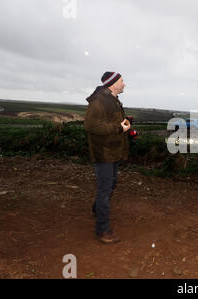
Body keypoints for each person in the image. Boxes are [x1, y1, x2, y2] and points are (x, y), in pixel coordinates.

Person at [84, 72, 130, 244]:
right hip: (103, 153)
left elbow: (111, 122)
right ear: (113, 84)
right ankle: (102, 230)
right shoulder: (99, 101)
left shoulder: (113, 100)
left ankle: (97, 209)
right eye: (122, 81)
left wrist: (124, 127)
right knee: (105, 189)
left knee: (111, 184)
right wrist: (118, 128)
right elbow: (90, 125)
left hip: (113, 151)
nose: (124, 84)